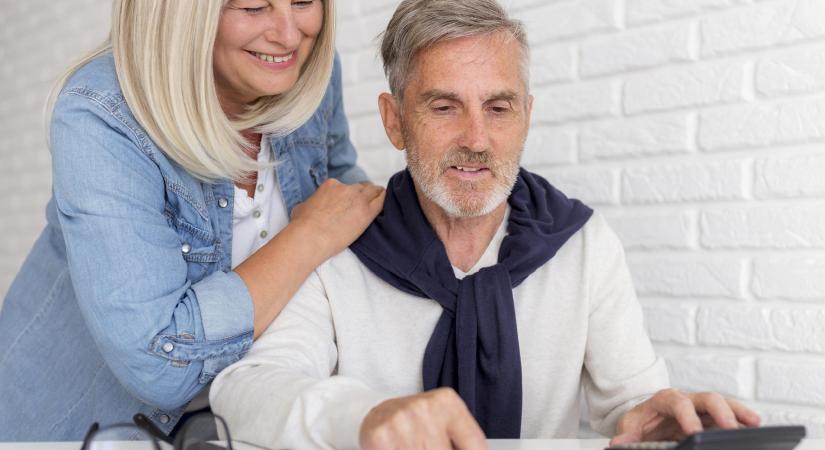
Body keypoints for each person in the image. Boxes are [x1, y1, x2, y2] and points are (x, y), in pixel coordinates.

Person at [209, 0, 762, 449]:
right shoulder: (340, 245)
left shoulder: (583, 244)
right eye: (444, 107)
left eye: (498, 108)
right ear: (394, 121)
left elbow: (629, 404)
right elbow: (245, 391)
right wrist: (364, 417)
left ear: (526, 115)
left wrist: (655, 416)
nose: (476, 139)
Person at [0, 0, 384, 441]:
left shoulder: (305, 71)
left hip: (227, 421)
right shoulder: (101, 113)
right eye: (255, 7)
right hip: (76, 427)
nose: (289, 34)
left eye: (302, 2)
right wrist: (308, 237)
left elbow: (340, 189)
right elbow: (160, 361)